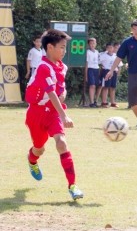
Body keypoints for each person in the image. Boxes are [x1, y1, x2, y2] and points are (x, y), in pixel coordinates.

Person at [25, 29, 83, 200]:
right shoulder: (43, 67)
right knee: (39, 148)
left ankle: (73, 186)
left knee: (62, 143)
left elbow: (59, 89)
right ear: (50, 47)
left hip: (53, 113)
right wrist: (64, 115)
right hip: (36, 113)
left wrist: (63, 94)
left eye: (65, 47)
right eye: (62, 47)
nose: (64, 51)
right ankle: (32, 160)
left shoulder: (62, 66)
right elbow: (50, 93)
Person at [99, 43, 122, 108]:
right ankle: (104, 102)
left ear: (113, 48)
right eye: (108, 48)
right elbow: (99, 63)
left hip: (114, 72)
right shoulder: (103, 55)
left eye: (111, 48)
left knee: (113, 87)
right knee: (106, 87)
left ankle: (113, 102)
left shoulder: (115, 56)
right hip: (106, 71)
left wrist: (118, 73)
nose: (110, 49)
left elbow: (119, 65)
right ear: (106, 48)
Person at [85, 37, 101, 108]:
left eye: (94, 43)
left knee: (97, 85)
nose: (92, 45)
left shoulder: (97, 52)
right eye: (91, 43)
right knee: (92, 85)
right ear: (88, 44)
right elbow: (87, 63)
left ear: (96, 44)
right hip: (90, 69)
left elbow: (100, 61)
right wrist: (86, 75)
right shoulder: (88, 52)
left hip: (96, 69)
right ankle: (91, 102)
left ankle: (95, 101)